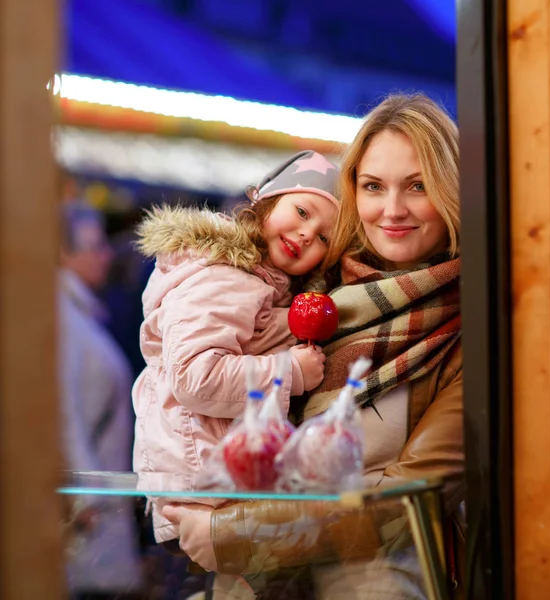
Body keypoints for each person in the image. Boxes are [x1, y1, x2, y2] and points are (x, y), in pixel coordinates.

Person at [162, 92, 464, 600]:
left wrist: (239, 536)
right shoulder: (309, 294)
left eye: (418, 186)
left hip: (375, 579)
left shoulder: (471, 330)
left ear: (452, 192)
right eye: (373, 186)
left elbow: (411, 499)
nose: (392, 210)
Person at [132, 151, 340, 546]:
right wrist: (290, 372)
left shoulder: (262, 283)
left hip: (212, 475)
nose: (307, 233)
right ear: (264, 200)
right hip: (199, 480)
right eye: (301, 210)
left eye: (325, 237)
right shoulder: (226, 276)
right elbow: (196, 377)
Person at [59, 203, 143, 598]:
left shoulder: (77, 313)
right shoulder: (60, 317)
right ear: (63, 253)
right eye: (94, 247)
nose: (106, 255)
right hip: (84, 520)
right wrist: (85, 503)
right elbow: (63, 413)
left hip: (93, 509)